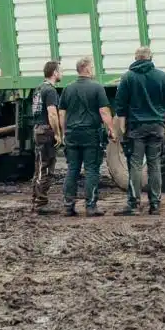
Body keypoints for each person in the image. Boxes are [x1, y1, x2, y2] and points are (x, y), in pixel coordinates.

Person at [113, 45, 165, 216]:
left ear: (135, 58)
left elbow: (121, 106)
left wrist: (123, 127)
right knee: (155, 165)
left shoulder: (127, 78)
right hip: (156, 127)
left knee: (136, 165)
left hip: (136, 128)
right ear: (150, 57)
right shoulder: (162, 77)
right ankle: (155, 204)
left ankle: (134, 204)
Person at [56, 56, 113, 217]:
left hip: (72, 134)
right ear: (87, 69)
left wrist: (64, 132)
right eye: (92, 67)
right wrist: (111, 129)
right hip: (90, 134)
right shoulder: (97, 88)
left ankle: (68, 206)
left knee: (72, 169)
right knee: (91, 169)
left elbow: (62, 113)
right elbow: (103, 111)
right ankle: (90, 206)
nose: (93, 70)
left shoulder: (68, 88)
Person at [29, 60, 62, 214]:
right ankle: (41, 203)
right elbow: (52, 113)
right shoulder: (50, 90)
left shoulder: (38, 89)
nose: (61, 73)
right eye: (60, 71)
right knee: (46, 168)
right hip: (46, 130)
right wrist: (57, 133)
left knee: (39, 167)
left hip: (37, 129)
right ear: (54, 72)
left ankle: (36, 200)